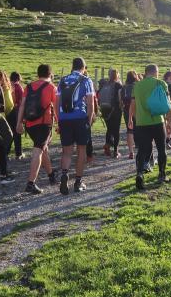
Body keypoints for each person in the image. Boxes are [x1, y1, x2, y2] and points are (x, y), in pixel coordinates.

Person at [15, 64, 58, 194]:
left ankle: (51, 175)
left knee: (43, 148)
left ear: (38, 74)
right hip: (44, 124)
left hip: (30, 124)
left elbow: (22, 105)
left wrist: (19, 123)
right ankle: (31, 183)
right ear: (50, 74)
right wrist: (59, 124)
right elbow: (55, 108)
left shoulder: (28, 87)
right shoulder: (51, 87)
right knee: (38, 150)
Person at [129, 64, 171, 189]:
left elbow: (133, 104)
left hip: (142, 123)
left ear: (145, 72)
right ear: (156, 72)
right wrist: (169, 122)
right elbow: (168, 105)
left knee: (142, 150)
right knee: (161, 149)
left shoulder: (137, 86)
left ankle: (140, 174)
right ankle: (162, 175)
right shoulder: (161, 83)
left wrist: (131, 118)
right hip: (158, 121)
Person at [56, 58, 95, 195]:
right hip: (80, 118)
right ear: (83, 67)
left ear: (72, 67)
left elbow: (57, 102)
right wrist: (88, 122)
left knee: (66, 152)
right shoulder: (86, 80)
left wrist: (59, 120)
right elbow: (91, 104)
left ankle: (64, 175)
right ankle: (78, 182)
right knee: (81, 151)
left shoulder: (62, 80)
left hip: (64, 119)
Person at [98, 69, 123, 158]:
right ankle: (116, 151)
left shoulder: (104, 84)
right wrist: (121, 106)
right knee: (116, 131)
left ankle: (107, 147)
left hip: (105, 110)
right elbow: (120, 98)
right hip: (115, 110)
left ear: (109, 75)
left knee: (109, 129)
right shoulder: (118, 85)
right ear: (117, 76)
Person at [121, 71, 139, 159]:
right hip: (137, 109)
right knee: (140, 128)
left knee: (129, 130)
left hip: (126, 110)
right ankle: (140, 148)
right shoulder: (137, 86)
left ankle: (131, 151)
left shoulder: (124, 87)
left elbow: (121, 100)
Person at [8, 72, 25, 160]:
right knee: (17, 132)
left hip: (8, 112)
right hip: (17, 111)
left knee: (9, 132)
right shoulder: (18, 87)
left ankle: (5, 152)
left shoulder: (8, 86)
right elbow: (22, 101)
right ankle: (18, 153)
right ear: (18, 78)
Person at [163, 71, 171, 149]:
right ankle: (168, 140)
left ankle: (167, 140)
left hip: (164, 106)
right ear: (167, 77)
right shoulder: (170, 86)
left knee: (166, 123)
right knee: (169, 124)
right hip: (169, 107)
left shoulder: (162, 84)